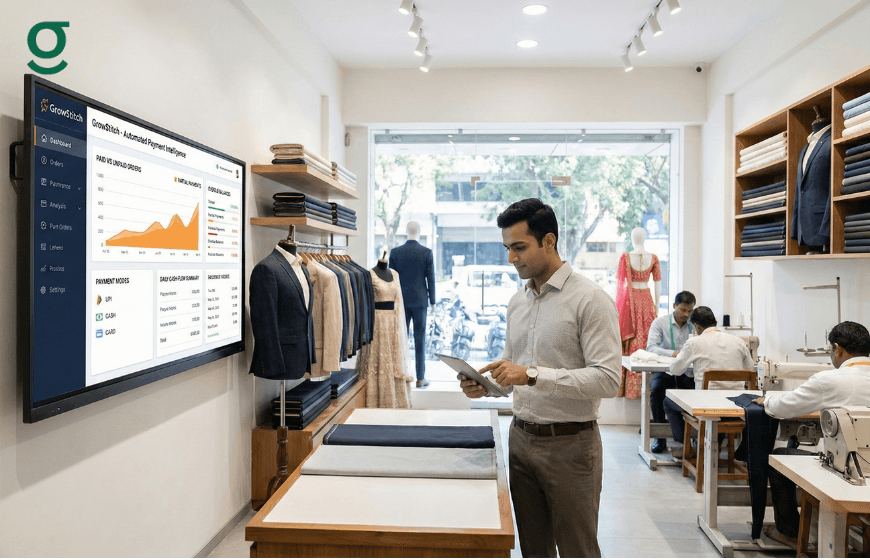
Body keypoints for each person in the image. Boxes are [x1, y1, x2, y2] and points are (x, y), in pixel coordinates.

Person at [458, 198, 621, 558]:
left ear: (549, 241)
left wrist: (531, 375)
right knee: (533, 549)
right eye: (507, 249)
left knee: (578, 550)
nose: (511, 258)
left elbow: (609, 380)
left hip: (571, 446)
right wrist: (485, 386)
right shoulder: (518, 302)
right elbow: (515, 373)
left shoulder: (590, 300)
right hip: (519, 440)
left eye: (519, 247)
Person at [752, 321, 870, 549]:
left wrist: (767, 399)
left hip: (844, 470)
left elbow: (784, 408)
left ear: (837, 349)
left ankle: (791, 532)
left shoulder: (828, 380)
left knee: (780, 457)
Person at [662, 306, 755, 458]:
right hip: (736, 406)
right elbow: (750, 370)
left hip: (707, 406)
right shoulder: (738, 341)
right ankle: (714, 448)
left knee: (668, 402)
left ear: (697, 326)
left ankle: (687, 448)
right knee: (720, 401)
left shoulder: (694, 342)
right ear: (716, 322)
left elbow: (676, 370)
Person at [646, 290, 697, 453]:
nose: (686, 314)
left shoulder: (694, 325)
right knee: (656, 392)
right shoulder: (659, 323)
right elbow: (651, 348)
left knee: (697, 393)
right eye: (683, 309)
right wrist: (674, 353)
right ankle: (659, 439)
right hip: (664, 371)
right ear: (674, 306)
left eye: (689, 311)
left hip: (686, 371)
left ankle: (694, 437)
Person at [388, 221, 436, 387]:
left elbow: (391, 280)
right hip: (420, 301)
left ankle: (400, 375)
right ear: (419, 231)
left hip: (400, 301)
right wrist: (433, 301)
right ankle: (420, 378)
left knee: (400, 339)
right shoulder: (426, 253)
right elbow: (431, 279)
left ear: (406, 231)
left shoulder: (395, 253)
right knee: (419, 339)